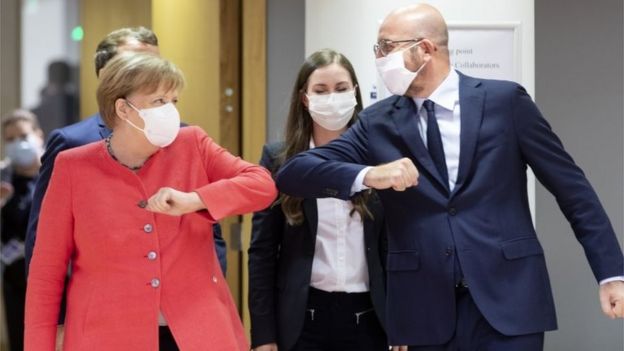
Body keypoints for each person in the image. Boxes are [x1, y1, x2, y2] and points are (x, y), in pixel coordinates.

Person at [275, 4, 624, 351]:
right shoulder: (377, 122)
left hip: (509, 300)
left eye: (386, 47)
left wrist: (611, 273)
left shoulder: (505, 102)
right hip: (423, 311)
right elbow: (293, 174)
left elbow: (573, 190)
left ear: (425, 49)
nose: (379, 57)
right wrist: (369, 174)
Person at [24, 52, 276, 350]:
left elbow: (263, 185)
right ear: (123, 109)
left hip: (198, 330)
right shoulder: (72, 166)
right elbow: (46, 274)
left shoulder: (192, 143)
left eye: (173, 100)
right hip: (104, 335)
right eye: (158, 101)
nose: (169, 110)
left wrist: (196, 199)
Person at [25, 26, 228, 281]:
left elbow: (210, 227)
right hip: (106, 301)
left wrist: (211, 282)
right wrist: (60, 315)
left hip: (182, 302)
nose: (150, 73)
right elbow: (45, 237)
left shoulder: (185, 136)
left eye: (154, 63)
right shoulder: (72, 143)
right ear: (106, 75)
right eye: (136, 64)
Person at [248, 49, 388, 351]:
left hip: (371, 319)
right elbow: (261, 252)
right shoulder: (279, 159)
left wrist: (405, 324)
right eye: (321, 90)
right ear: (305, 98)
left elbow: (398, 247)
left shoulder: (380, 158)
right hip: (302, 319)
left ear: (355, 93)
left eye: (341, 89)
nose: (333, 98)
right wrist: (263, 335)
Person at [1, 109, 45, 351]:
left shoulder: (56, 174)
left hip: (58, 279)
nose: (19, 143)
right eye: (10, 139)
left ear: (39, 135)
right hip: (16, 282)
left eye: (24, 135)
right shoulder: (3, 179)